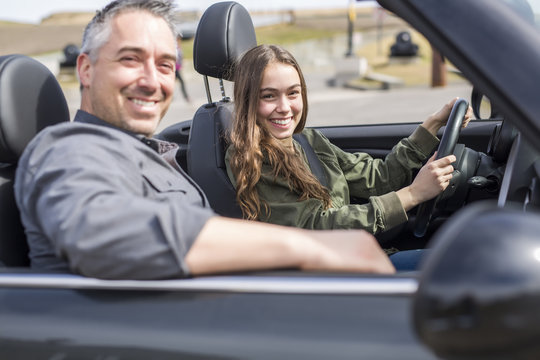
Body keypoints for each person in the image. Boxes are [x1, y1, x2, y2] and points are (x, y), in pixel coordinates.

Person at [14, 0, 394, 279]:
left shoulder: (151, 154)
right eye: (130, 59)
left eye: (165, 65)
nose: (152, 80)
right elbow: (100, 235)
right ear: (85, 69)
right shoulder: (68, 149)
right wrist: (308, 245)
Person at [225, 44, 473, 237]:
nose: (285, 107)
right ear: (248, 101)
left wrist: (433, 124)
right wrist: (413, 194)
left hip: (352, 254)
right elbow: (313, 227)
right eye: (269, 96)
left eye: (293, 93)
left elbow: (378, 178)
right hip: (328, 275)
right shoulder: (251, 157)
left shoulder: (307, 140)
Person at [175, 35, 190, 103]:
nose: (179, 41)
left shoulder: (178, 47)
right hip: (175, 69)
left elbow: (181, 57)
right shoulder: (175, 48)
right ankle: (186, 97)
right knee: (181, 82)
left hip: (177, 68)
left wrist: (181, 63)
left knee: (174, 83)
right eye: (178, 39)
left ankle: (185, 97)